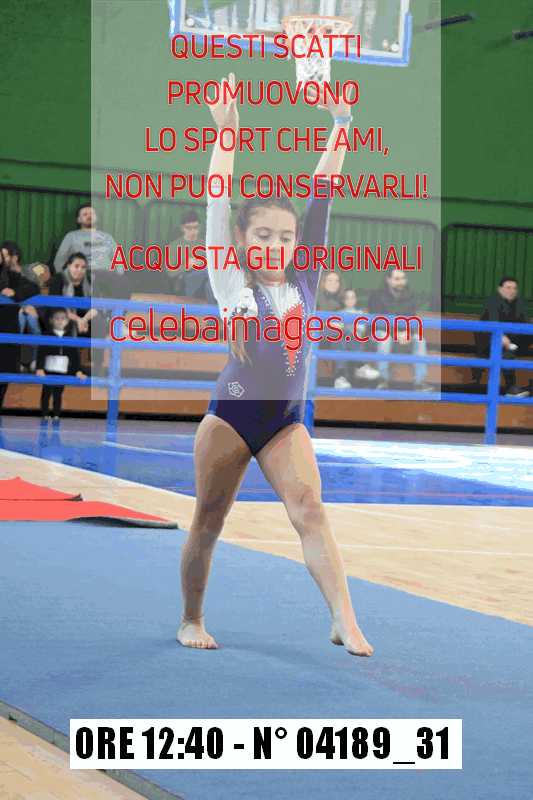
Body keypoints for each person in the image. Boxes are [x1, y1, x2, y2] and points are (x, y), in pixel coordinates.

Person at [177, 73, 373, 658]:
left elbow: (323, 192)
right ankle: (191, 618)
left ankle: (343, 618)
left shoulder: (306, 278)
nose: (277, 244)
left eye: (286, 236)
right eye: (263, 234)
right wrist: (228, 133)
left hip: (286, 419)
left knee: (310, 509)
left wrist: (342, 123)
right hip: (231, 417)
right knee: (209, 520)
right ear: (242, 238)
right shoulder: (230, 278)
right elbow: (217, 198)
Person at [368, 269, 431, 391]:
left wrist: (409, 333)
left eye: (403, 279)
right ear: (388, 280)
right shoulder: (376, 296)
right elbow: (377, 323)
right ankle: (383, 380)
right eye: (397, 279)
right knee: (385, 338)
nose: (401, 282)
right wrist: (395, 333)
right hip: (379, 335)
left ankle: (420, 382)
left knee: (419, 339)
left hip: (402, 336)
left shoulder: (410, 296)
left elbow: (413, 320)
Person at [473, 276, 531, 397]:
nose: (512, 291)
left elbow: (526, 323)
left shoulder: (519, 302)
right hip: (489, 342)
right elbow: (493, 324)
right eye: (508, 288)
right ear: (500, 289)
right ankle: (511, 388)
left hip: (512, 340)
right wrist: (503, 338)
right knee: (506, 352)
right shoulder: (493, 302)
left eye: (514, 288)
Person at [35, 308, 87, 420]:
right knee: (46, 392)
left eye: (63, 319)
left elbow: (74, 356)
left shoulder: (69, 337)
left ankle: (56, 414)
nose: (60, 321)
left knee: (58, 394)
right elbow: (41, 353)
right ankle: (44, 414)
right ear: (51, 320)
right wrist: (39, 368)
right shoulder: (47, 335)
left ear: (67, 321)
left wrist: (78, 371)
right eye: (57, 318)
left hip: (62, 369)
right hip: (48, 368)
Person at [0, 241, 41, 371]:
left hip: (21, 315)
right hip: (10, 320)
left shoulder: (13, 274)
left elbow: (34, 287)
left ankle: (33, 361)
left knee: (29, 318)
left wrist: (15, 293)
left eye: (4, 255)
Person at [333, 288, 380, 389]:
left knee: (350, 335)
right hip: (343, 341)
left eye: (352, 297)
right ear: (343, 300)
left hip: (358, 340)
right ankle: (357, 368)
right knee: (342, 338)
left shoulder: (361, 313)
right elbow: (336, 328)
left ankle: (350, 373)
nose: (350, 300)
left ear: (356, 299)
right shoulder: (338, 313)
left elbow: (361, 330)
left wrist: (345, 326)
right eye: (347, 298)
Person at [166, 209, 215, 302]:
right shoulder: (174, 246)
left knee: (209, 282)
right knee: (207, 274)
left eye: (196, 227)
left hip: (204, 282)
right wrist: (186, 266)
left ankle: (213, 306)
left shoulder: (205, 245)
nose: (193, 231)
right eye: (188, 228)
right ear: (182, 228)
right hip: (184, 283)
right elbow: (170, 272)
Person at [53, 204, 117, 276]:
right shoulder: (71, 236)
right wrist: (65, 278)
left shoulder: (107, 237)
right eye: (85, 214)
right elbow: (59, 261)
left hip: (106, 277)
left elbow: (118, 260)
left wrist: (118, 278)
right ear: (78, 219)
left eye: (92, 214)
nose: (89, 216)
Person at [48, 252, 98, 335]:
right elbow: (56, 306)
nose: (80, 270)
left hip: (86, 317)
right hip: (65, 315)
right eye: (76, 266)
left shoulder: (89, 280)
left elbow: (96, 305)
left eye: (83, 267)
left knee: (99, 322)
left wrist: (84, 320)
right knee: (62, 322)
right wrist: (78, 320)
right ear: (69, 266)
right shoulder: (58, 279)